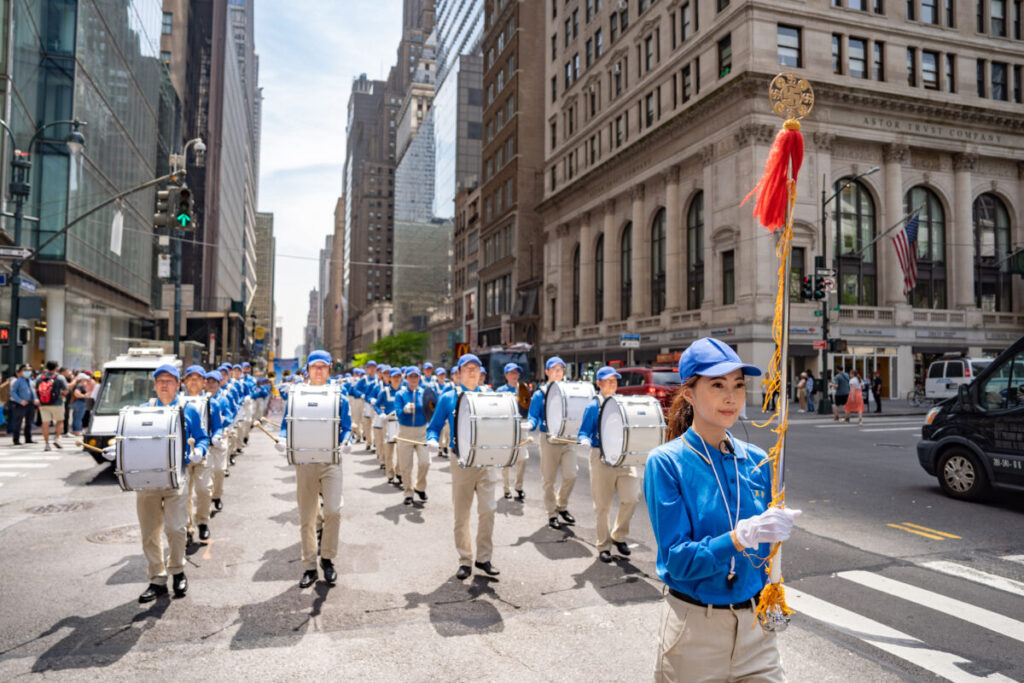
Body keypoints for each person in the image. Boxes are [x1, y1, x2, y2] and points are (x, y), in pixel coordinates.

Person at [644, 338, 801, 681]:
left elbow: (763, 555)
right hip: (695, 633)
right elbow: (677, 560)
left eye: (739, 385)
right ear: (689, 393)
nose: (732, 397)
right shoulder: (667, 463)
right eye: (717, 385)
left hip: (756, 630)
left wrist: (773, 538)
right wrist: (737, 538)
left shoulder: (758, 460)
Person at [129, 364, 210, 602]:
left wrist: (200, 451)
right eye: (160, 381)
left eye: (169, 380)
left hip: (176, 478)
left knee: (176, 529)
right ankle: (157, 578)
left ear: (178, 384)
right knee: (149, 533)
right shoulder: (143, 410)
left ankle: (177, 570)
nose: (164, 384)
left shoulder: (189, 410)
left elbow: (203, 437)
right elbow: (127, 436)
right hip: (147, 481)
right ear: (154, 385)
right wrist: (117, 448)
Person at [276, 350, 352, 589]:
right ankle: (309, 566)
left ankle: (327, 558)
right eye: (314, 367)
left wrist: (346, 442)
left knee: (333, 511)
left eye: (323, 367)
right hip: (305, 463)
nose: (318, 371)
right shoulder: (296, 395)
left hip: (331, 461)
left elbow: (347, 427)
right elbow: (285, 426)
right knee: (307, 517)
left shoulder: (339, 396)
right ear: (307, 369)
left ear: (329, 369)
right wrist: (282, 439)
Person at [425, 353, 501, 581]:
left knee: (488, 510)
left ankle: (484, 558)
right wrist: (431, 439)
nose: (472, 372)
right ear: (458, 373)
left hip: (486, 461)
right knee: (462, 514)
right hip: (461, 462)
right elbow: (434, 427)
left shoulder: (489, 396)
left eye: (476, 368)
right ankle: (465, 559)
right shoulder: (448, 397)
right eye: (467, 368)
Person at [578, 366, 640, 563]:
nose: (613, 384)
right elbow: (583, 432)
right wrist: (584, 440)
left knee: (631, 498)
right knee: (602, 505)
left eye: (615, 381)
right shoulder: (593, 406)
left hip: (623, 456)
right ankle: (603, 545)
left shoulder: (622, 403)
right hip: (601, 457)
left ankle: (618, 535)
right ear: (599, 383)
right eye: (608, 381)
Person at [525, 356, 579, 530]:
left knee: (571, 475)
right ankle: (551, 513)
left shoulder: (570, 392)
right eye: (554, 369)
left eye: (560, 369)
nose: (558, 372)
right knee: (549, 479)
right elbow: (533, 415)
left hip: (568, 439)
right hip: (549, 439)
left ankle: (561, 505)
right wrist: (531, 423)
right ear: (547, 372)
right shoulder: (541, 393)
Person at [181, 365, 218, 541]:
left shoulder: (212, 402)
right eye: (190, 377)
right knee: (184, 493)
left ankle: (202, 521)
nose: (194, 381)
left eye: (198, 378)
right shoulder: (179, 402)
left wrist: (217, 436)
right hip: (183, 454)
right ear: (185, 381)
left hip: (203, 452)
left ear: (204, 383)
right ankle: (188, 528)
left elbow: (217, 426)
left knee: (204, 489)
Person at [395, 366, 430, 505]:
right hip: (405, 432)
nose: (414, 379)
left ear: (419, 378)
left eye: (416, 376)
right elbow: (397, 412)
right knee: (405, 466)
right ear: (406, 378)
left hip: (422, 432)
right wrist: (404, 410)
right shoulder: (401, 394)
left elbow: (432, 409)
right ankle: (408, 492)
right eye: (411, 376)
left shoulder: (425, 393)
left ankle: (420, 487)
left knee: (425, 462)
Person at [496, 362, 528, 501]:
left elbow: (528, 406)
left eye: (516, 373)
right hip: (507, 426)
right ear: (506, 375)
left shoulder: (523, 388)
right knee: (507, 459)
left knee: (523, 458)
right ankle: (506, 488)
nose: (514, 375)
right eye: (511, 373)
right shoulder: (501, 390)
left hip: (521, 425)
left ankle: (519, 486)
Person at [204, 370, 230, 512]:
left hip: (220, 437)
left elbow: (230, 415)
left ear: (219, 384)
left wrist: (223, 421)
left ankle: (217, 495)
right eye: (209, 381)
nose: (211, 384)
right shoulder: (201, 399)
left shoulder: (223, 399)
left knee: (219, 470)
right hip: (204, 439)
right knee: (206, 472)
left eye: (214, 382)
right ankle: (206, 499)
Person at [35, 361, 68, 451]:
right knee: (60, 421)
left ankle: (46, 444)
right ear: (56, 368)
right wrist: (61, 394)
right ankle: (57, 438)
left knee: (45, 423)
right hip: (57, 403)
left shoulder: (40, 377)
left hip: (43, 404)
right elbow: (66, 390)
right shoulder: (60, 377)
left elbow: (36, 390)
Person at [10, 364, 38, 445]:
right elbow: (12, 392)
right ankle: (16, 439)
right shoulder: (18, 380)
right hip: (20, 404)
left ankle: (28, 438)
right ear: (21, 372)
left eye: (29, 370)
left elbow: (33, 392)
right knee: (18, 422)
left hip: (30, 403)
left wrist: (36, 398)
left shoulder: (31, 381)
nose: (27, 372)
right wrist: (20, 400)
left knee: (29, 422)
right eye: (25, 370)